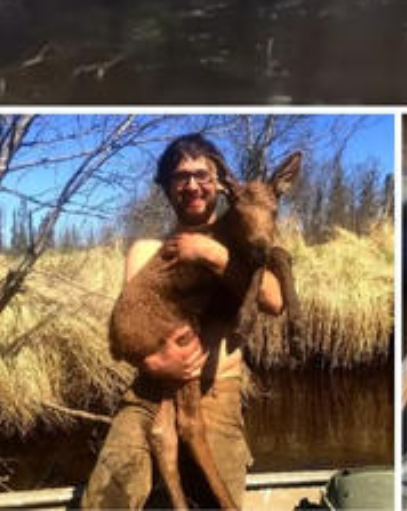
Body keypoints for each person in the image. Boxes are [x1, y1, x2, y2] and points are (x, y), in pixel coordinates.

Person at [82, 134, 286, 510]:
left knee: (215, 496)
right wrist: (152, 362)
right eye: (179, 177)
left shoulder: (240, 248)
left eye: (201, 175)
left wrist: (210, 253)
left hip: (216, 393)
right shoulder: (147, 251)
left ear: (221, 185)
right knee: (105, 498)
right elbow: (132, 326)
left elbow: (273, 300)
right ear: (166, 187)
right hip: (149, 391)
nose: (192, 184)